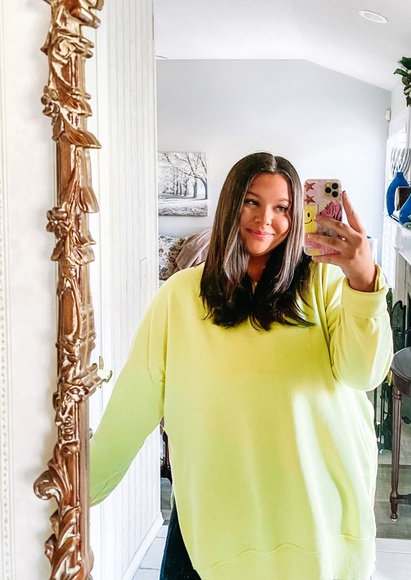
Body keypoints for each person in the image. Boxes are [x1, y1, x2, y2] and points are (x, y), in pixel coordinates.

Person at [90, 152, 393, 580]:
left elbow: (364, 373)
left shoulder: (325, 283)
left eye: (282, 207)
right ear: (231, 203)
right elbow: (134, 398)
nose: (265, 219)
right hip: (220, 523)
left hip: (318, 520)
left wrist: (362, 282)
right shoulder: (180, 295)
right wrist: (82, 487)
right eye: (252, 201)